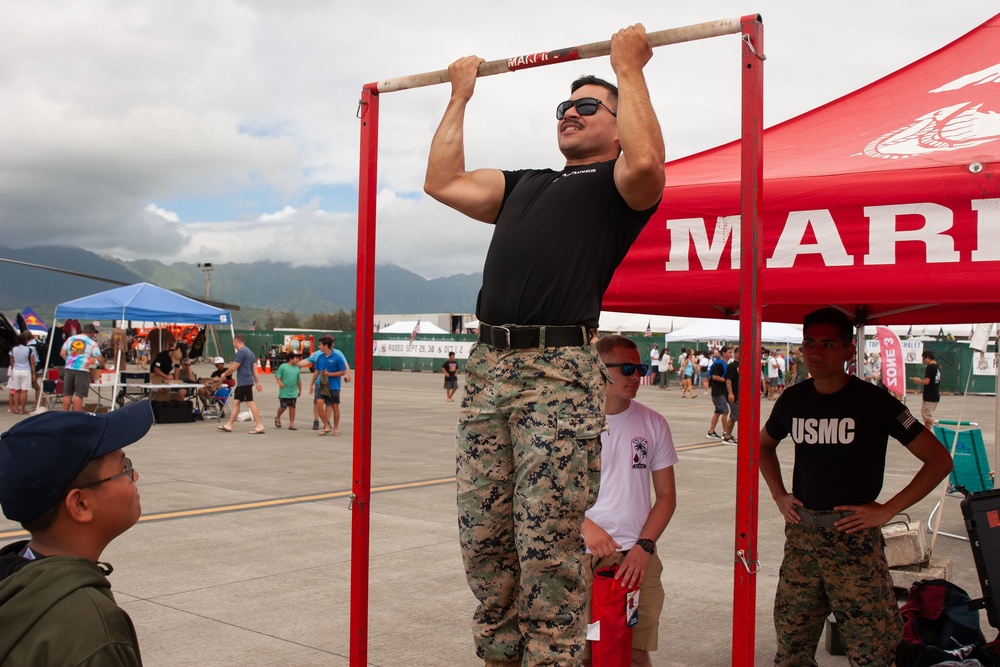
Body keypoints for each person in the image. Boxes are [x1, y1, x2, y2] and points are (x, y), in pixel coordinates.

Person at [423, 22, 665, 666]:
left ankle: (553, 659)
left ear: (616, 124)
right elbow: (442, 182)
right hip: (489, 367)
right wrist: (460, 96)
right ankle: (501, 657)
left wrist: (629, 69)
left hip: (557, 371)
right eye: (564, 106)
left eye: (589, 105)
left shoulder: (618, 188)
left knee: (546, 542)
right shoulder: (525, 184)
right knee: (485, 536)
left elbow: (645, 162)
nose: (571, 113)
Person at [759, 307, 953, 667]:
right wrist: (778, 494)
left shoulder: (873, 402)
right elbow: (763, 445)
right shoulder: (794, 399)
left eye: (828, 344)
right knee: (791, 649)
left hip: (854, 542)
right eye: (810, 343)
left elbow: (940, 461)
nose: (816, 353)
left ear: (850, 351)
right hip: (802, 539)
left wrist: (888, 509)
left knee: (873, 651)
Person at [0, 401, 154, 666]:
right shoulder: (93, 633)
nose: (135, 475)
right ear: (80, 505)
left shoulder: (13, 577)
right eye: (124, 467)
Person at [582, 335, 677, 667]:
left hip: (637, 561)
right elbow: (543, 492)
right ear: (598, 369)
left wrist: (644, 547)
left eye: (640, 368)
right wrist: (586, 528)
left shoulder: (653, 423)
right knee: (585, 652)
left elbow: (666, 496)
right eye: (626, 369)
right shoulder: (569, 422)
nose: (636, 376)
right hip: (580, 558)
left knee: (636, 652)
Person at [299, 337, 351, 431]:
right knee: (318, 403)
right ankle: (317, 421)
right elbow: (308, 362)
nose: (333, 343)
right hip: (320, 383)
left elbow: (345, 365)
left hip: (333, 384)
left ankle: (328, 424)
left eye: (333, 342)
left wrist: (347, 374)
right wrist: (294, 364)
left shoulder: (338, 354)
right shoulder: (318, 355)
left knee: (331, 404)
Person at [217, 334, 265, 435]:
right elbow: (255, 369)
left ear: (236, 341)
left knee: (250, 403)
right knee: (236, 403)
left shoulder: (241, 352)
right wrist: (257, 382)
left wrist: (225, 374)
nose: (233, 343)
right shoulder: (250, 352)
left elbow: (234, 367)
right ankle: (229, 425)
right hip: (245, 382)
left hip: (244, 382)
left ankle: (259, 425)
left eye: (233, 341)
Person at [60, 325, 105, 412]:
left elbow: (62, 353)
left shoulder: (71, 339)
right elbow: (99, 358)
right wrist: (104, 366)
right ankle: (76, 416)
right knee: (79, 394)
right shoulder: (92, 343)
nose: (94, 335)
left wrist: (70, 361)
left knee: (67, 393)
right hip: (82, 369)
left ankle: (64, 414)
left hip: (69, 368)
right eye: (94, 333)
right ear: (90, 332)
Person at [309, 335, 347, 436]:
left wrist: (331, 374)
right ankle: (326, 425)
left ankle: (336, 429)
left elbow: (343, 372)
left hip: (334, 386)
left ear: (326, 345)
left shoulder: (337, 357)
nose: (319, 347)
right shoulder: (320, 357)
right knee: (319, 404)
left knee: (335, 406)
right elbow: (316, 371)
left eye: (320, 345)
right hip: (322, 385)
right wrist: (311, 384)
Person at [706, 346, 732, 440]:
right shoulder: (719, 364)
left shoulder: (726, 364)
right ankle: (725, 432)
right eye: (729, 352)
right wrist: (726, 380)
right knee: (725, 411)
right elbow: (715, 376)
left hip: (721, 391)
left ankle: (711, 431)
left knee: (718, 411)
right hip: (718, 391)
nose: (731, 354)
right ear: (723, 353)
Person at [910, 350, 941, 429]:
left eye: (924, 359)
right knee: (926, 417)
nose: (924, 361)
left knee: (926, 416)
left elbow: (927, 381)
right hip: (935, 394)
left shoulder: (930, 367)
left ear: (927, 357)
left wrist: (918, 380)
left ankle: (938, 426)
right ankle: (927, 433)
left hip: (929, 395)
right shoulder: (937, 367)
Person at [8, 332, 36, 415]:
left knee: (17, 391)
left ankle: (16, 408)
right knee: (24, 391)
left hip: (16, 370)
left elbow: (11, 362)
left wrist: (13, 370)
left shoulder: (13, 349)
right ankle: (22, 410)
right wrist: (33, 373)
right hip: (26, 370)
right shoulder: (29, 350)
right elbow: (32, 363)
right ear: (25, 341)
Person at [274, 351, 303, 430]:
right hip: (284, 391)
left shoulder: (297, 369)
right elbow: (278, 376)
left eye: (298, 358)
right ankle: (277, 417)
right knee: (283, 407)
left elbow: (298, 381)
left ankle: (291, 424)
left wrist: (300, 390)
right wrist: (280, 383)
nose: (298, 360)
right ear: (290, 359)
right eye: (296, 358)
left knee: (292, 407)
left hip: (293, 392)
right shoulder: (283, 366)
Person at [722, 346, 740, 444]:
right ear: (736, 354)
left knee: (735, 416)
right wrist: (730, 393)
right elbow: (728, 380)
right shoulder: (732, 366)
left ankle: (728, 434)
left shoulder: (741, 365)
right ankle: (727, 436)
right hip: (734, 395)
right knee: (735, 416)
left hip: (740, 394)